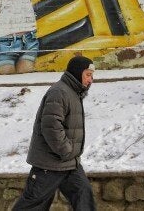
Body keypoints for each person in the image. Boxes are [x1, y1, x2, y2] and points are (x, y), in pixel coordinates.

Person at [13, 55, 96, 210]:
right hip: (50, 164)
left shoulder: (73, 92)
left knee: (84, 195)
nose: (90, 80)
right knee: (33, 205)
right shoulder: (59, 92)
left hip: (70, 164)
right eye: (88, 75)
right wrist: (66, 151)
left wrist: (70, 155)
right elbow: (51, 126)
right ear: (78, 73)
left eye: (91, 76)